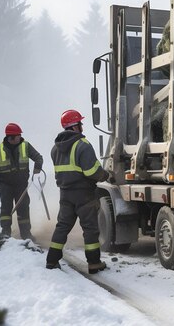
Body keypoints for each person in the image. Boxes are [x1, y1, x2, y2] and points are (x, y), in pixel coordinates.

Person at [46, 109, 110, 273]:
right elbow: (91, 171)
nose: (82, 127)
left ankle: (52, 261)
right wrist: (105, 175)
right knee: (90, 230)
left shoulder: (55, 149)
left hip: (65, 194)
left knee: (62, 227)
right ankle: (94, 263)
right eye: (80, 124)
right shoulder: (83, 145)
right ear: (75, 127)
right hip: (84, 194)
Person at [0, 122, 43, 240]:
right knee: (6, 208)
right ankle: (5, 232)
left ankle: (26, 234)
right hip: (5, 185)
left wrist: (37, 168)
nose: (20, 137)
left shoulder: (25, 146)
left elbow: (38, 157)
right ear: (10, 137)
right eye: (18, 136)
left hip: (21, 185)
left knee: (23, 208)